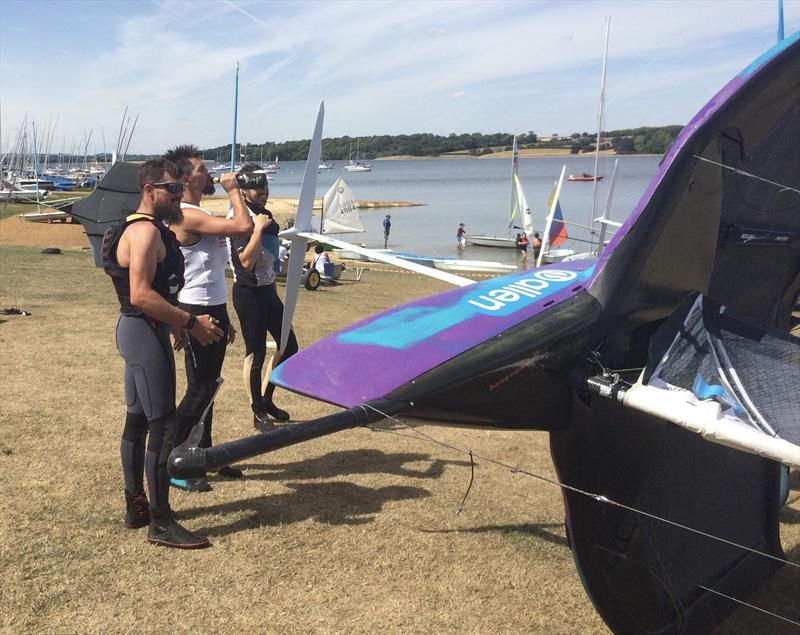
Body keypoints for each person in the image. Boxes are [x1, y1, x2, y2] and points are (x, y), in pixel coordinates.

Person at [103, 159, 223, 549]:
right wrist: (189, 322)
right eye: (172, 189)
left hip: (144, 331)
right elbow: (140, 294)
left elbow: (155, 290)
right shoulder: (143, 233)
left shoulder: (149, 229)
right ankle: (160, 521)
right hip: (142, 332)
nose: (178, 195)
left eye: (179, 188)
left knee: (138, 419)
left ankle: (136, 506)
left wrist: (174, 321)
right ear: (149, 190)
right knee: (163, 424)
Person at [163, 144, 253, 492]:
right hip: (195, 309)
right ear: (187, 178)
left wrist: (225, 316)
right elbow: (243, 226)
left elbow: (212, 273)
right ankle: (175, 462)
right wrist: (233, 190)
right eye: (202, 167)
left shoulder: (199, 212)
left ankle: (204, 456)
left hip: (211, 306)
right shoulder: (187, 214)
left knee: (210, 385)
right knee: (200, 388)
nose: (209, 171)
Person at [228, 164, 299, 432]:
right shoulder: (240, 218)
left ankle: (267, 398)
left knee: (289, 346)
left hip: (268, 290)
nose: (263, 192)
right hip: (248, 293)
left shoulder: (264, 215)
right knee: (255, 354)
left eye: (265, 186)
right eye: (257, 188)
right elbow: (245, 261)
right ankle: (257, 413)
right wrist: (257, 230)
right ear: (244, 190)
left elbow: (270, 257)